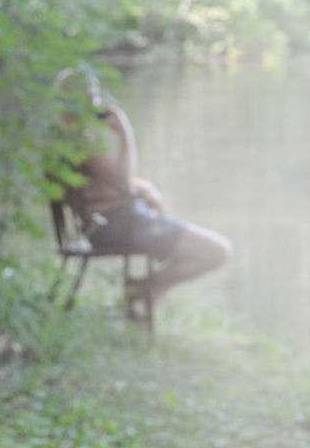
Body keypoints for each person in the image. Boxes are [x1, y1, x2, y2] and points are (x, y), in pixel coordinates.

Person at [56, 69, 231, 317]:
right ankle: (142, 290)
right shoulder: (80, 139)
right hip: (118, 224)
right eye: (93, 95)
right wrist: (126, 132)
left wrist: (144, 188)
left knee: (206, 247)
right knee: (218, 251)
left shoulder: (60, 134)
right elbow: (123, 183)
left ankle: (143, 299)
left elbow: (102, 182)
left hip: (109, 221)